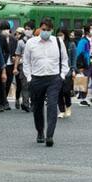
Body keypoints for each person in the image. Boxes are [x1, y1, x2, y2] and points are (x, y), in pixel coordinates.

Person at [22, 19, 69, 147]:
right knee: (37, 108)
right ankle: (40, 131)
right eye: (43, 29)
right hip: (36, 78)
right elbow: (26, 62)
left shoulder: (58, 42)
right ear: (39, 29)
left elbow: (65, 60)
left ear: (52, 30)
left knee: (52, 105)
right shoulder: (31, 43)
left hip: (54, 78)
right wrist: (29, 77)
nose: (46, 32)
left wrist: (62, 75)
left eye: (48, 30)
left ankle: (50, 135)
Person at [76, 24, 92, 106]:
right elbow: (79, 53)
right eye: (91, 29)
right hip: (85, 63)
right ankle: (82, 99)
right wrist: (80, 66)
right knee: (84, 81)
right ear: (87, 31)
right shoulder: (83, 41)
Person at [57, 28, 75, 119]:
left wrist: (73, 69)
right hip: (57, 70)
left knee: (66, 91)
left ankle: (68, 106)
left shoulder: (71, 45)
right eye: (58, 35)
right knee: (59, 91)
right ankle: (61, 110)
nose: (60, 37)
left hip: (67, 70)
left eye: (61, 34)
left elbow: (73, 58)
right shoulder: (54, 45)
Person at [12, 26, 31, 112]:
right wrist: (15, 67)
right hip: (22, 65)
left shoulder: (36, 41)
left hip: (34, 66)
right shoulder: (20, 42)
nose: (28, 31)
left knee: (32, 85)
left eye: (29, 29)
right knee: (24, 85)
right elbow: (17, 55)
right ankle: (25, 103)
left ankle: (30, 103)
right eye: (26, 29)